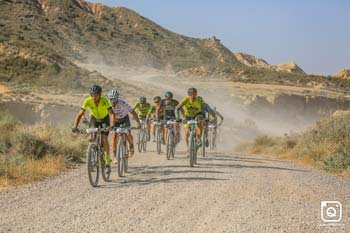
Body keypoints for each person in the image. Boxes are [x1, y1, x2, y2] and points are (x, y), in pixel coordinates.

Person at [72, 84, 115, 174]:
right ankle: (92, 156)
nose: (93, 97)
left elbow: (111, 113)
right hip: (94, 119)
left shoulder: (104, 100)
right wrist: (75, 126)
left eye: (95, 95)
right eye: (92, 95)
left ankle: (107, 164)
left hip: (105, 120)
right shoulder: (87, 101)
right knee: (90, 136)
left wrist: (111, 125)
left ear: (100, 94)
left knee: (104, 139)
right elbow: (80, 114)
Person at [107, 89, 141, 159]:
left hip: (124, 119)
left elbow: (133, 112)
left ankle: (131, 146)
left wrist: (138, 122)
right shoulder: (107, 104)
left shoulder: (122, 102)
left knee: (128, 133)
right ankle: (114, 155)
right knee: (114, 136)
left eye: (114, 99)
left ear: (117, 98)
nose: (113, 101)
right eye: (111, 99)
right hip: (115, 120)